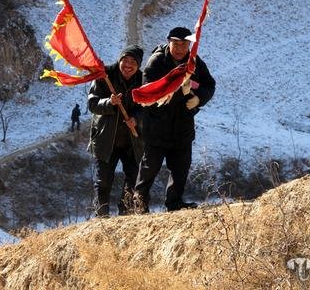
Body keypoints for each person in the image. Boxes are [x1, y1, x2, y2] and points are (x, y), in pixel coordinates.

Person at [134, 27, 215, 213]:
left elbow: (209, 84)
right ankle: (139, 205)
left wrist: (199, 98)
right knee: (149, 169)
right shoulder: (156, 62)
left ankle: (174, 203)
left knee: (180, 169)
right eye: (176, 44)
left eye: (184, 44)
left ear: (190, 45)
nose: (180, 49)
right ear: (169, 42)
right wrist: (181, 93)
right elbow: (149, 95)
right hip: (157, 126)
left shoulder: (194, 62)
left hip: (183, 125)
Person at [88, 45, 144, 217]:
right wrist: (109, 103)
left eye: (133, 62)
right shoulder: (104, 76)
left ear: (139, 65)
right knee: (103, 181)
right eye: (125, 60)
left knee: (133, 181)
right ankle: (101, 216)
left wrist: (136, 118)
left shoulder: (143, 80)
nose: (128, 65)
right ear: (119, 60)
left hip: (132, 141)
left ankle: (125, 215)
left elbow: (149, 106)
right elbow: (92, 104)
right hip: (106, 140)